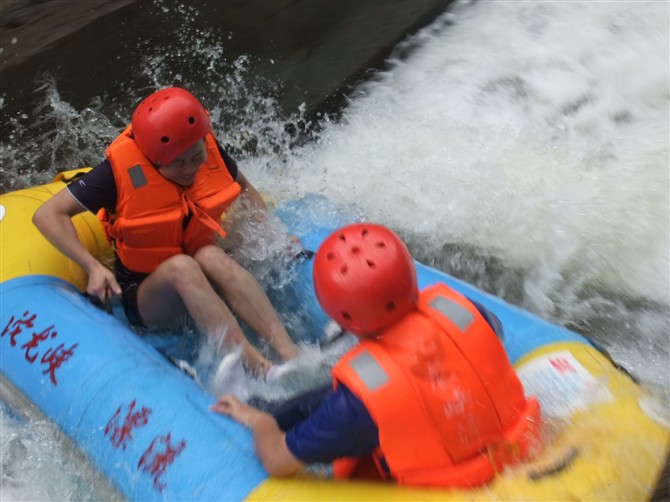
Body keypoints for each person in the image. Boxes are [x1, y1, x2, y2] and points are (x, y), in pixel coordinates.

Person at [212, 223, 542, 488]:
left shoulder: (359, 403)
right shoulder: (467, 311)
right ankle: (267, 403)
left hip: (445, 483)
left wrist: (259, 422)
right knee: (337, 396)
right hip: (515, 444)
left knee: (345, 404)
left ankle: (257, 408)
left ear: (342, 320)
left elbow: (277, 461)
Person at [32, 86, 299, 378]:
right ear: (152, 158)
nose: (190, 170)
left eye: (195, 158)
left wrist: (273, 236)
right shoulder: (115, 174)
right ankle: (260, 369)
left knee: (210, 254)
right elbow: (47, 215)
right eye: (177, 164)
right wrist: (92, 266)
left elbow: (245, 188)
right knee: (183, 267)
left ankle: (291, 354)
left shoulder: (204, 147)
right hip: (148, 296)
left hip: (201, 272)